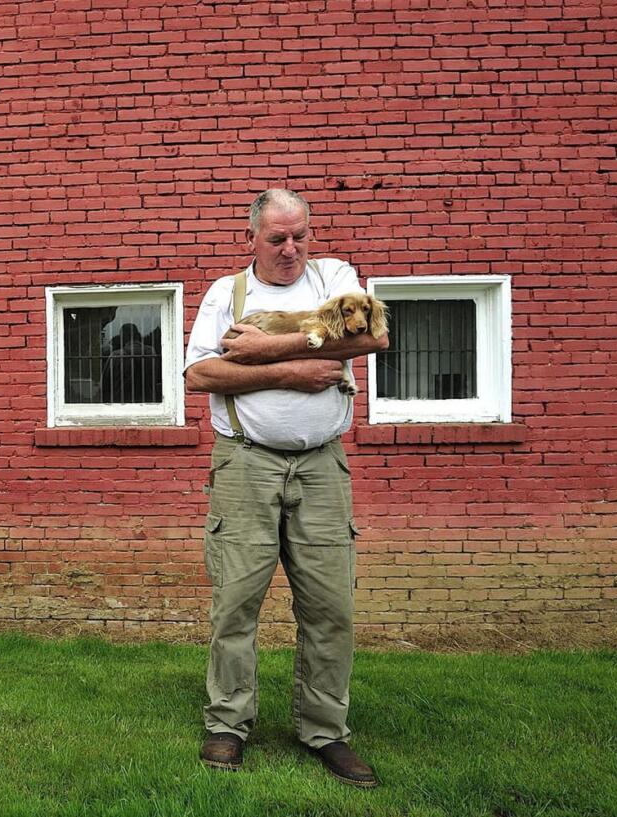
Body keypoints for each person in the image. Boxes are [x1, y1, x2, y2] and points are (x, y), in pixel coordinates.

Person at [184, 189, 388, 788]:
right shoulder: (228, 293)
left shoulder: (336, 278)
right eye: (277, 238)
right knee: (236, 603)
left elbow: (371, 337)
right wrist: (291, 373)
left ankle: (326, 730)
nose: (291, 248)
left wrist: (269, 346)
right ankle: (228, 722)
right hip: (246, 464)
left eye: (300, 235)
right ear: (252, 238)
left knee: (331, 606)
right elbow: (200, 373)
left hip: (323, 466)